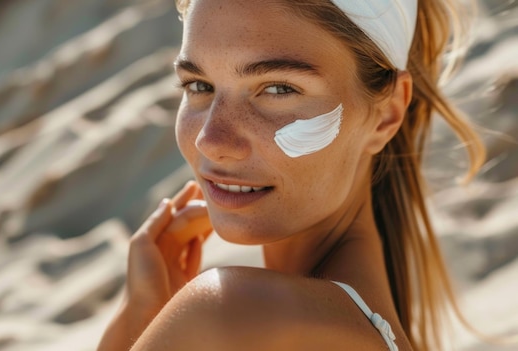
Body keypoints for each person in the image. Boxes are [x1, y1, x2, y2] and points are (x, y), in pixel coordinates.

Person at [97, 0, 486, 350]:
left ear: (386, 115)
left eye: (278, 88)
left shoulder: (227, 313)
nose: (211, 140)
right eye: (199, 85)